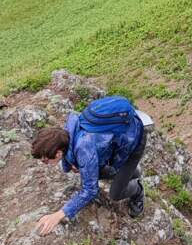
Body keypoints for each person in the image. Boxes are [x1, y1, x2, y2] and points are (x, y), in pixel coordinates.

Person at [31, 95, 146, 236]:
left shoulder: (83, 148)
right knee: (94, 171)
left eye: (45, 160)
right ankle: (131, 172)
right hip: (115, 144)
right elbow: (70, 160)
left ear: (58, 153)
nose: (45, 164)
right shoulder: (66, 133)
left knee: (115, 194)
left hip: (134, 141)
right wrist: (71, 165)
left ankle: (137, 190)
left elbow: (90, 190)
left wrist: (59, 214)